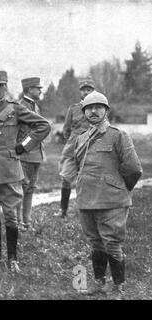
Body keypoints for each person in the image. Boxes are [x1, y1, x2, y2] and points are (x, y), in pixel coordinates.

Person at [0, 70, 50, 272]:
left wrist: (24, 146)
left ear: (6, 87)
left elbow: (43, 126)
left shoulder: (16, 109)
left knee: (11, 215)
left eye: (0, 86)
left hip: (10, 168)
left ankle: (12, 258)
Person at [74, 91, 142, 299]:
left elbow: (133, 169)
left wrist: (118, 189)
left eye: (98, 107)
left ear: (106, 110)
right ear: (84, 112)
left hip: (111, 201)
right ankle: (99, 283)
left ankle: (117, 288)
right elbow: (79, 166)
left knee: (112, 243)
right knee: (95, 242)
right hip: (87, 200)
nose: (93, 111)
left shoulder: (118, 135)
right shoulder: (82, 138)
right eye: (89, 108)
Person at [56, 78, 95, 217]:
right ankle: (63, 210)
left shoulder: (98, 109)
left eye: (89, 89)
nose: (86, 92)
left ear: (93, 91)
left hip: (91, 149)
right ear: (80, 92)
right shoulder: (73, 108)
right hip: (73, 149)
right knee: (66, 178)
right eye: (84, 90)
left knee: (88, 181)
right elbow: (66, 129)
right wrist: (73, 141)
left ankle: (87, 211)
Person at [16, 77, 47, 232]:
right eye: (38, 88)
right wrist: (22, 147)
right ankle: (20, 222)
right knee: (22, 188)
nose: (40, 91)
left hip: (35, 154)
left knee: (30, 188)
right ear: (29, 89)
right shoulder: (21, 106)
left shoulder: (35, 106)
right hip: (25, 154)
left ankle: (26, 222)